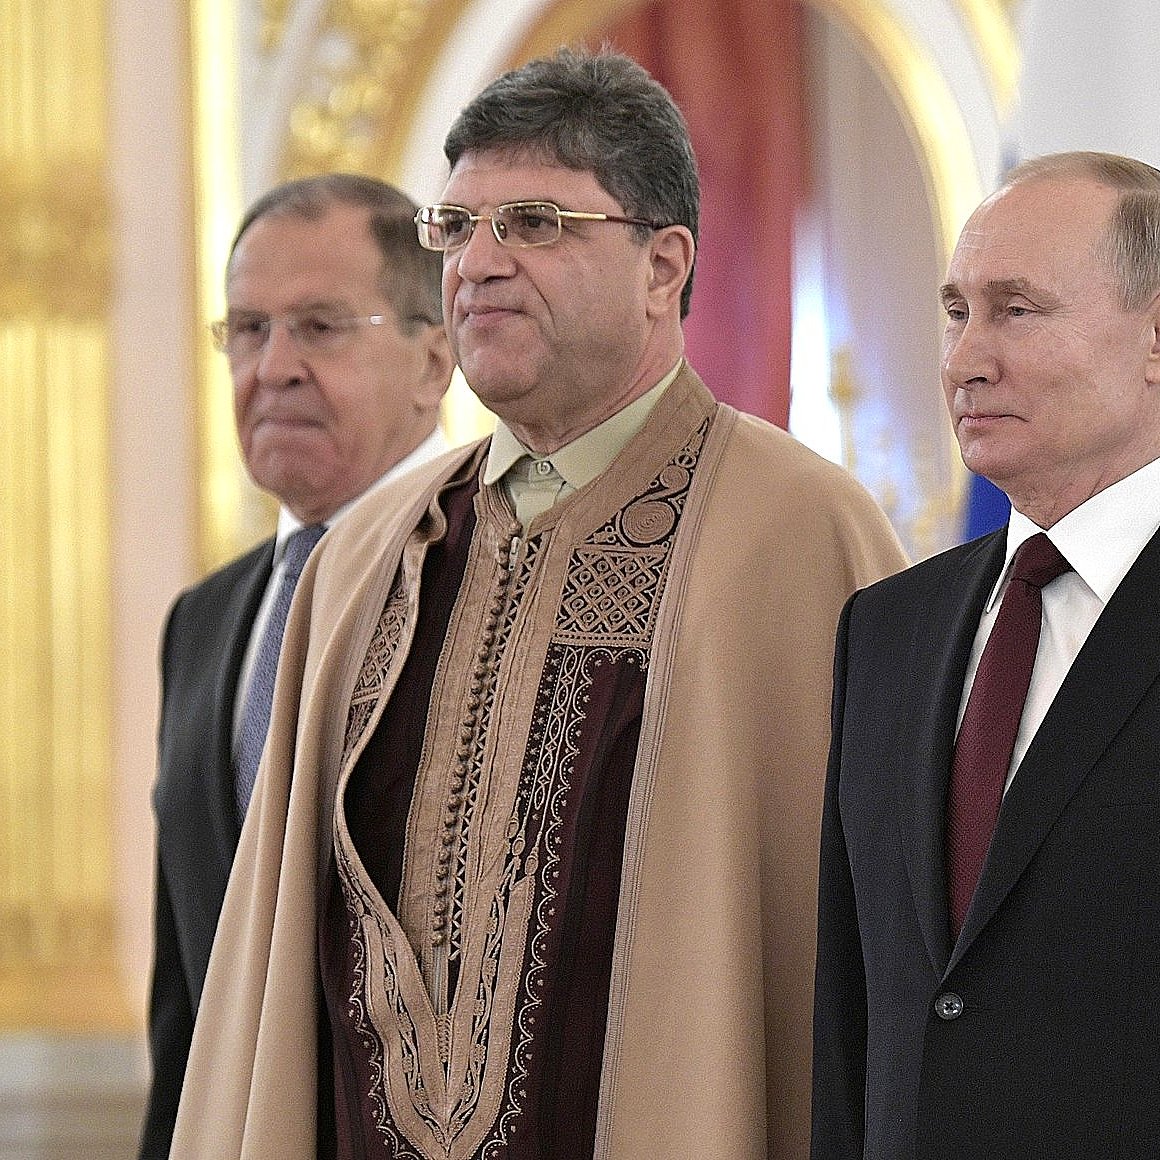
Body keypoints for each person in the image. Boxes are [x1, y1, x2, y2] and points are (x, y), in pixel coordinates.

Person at [171, 48, 905, 1160]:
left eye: (533, 223)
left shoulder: (800, 534)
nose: (476, 264)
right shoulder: (367, 554)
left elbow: (860, 963)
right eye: (455, 227)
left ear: (663, 264)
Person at [812, 150, 1160, 1159]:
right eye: (954, 311)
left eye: (1015, 310)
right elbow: (853, 1013)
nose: (965, 357)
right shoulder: (885, 628)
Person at [139, 174, 454, 1159]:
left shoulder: (494, 582)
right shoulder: (206, 619)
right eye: (245, 328)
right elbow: (185, 1000)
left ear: (433, 359)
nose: (271, 366)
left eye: (319, 326)